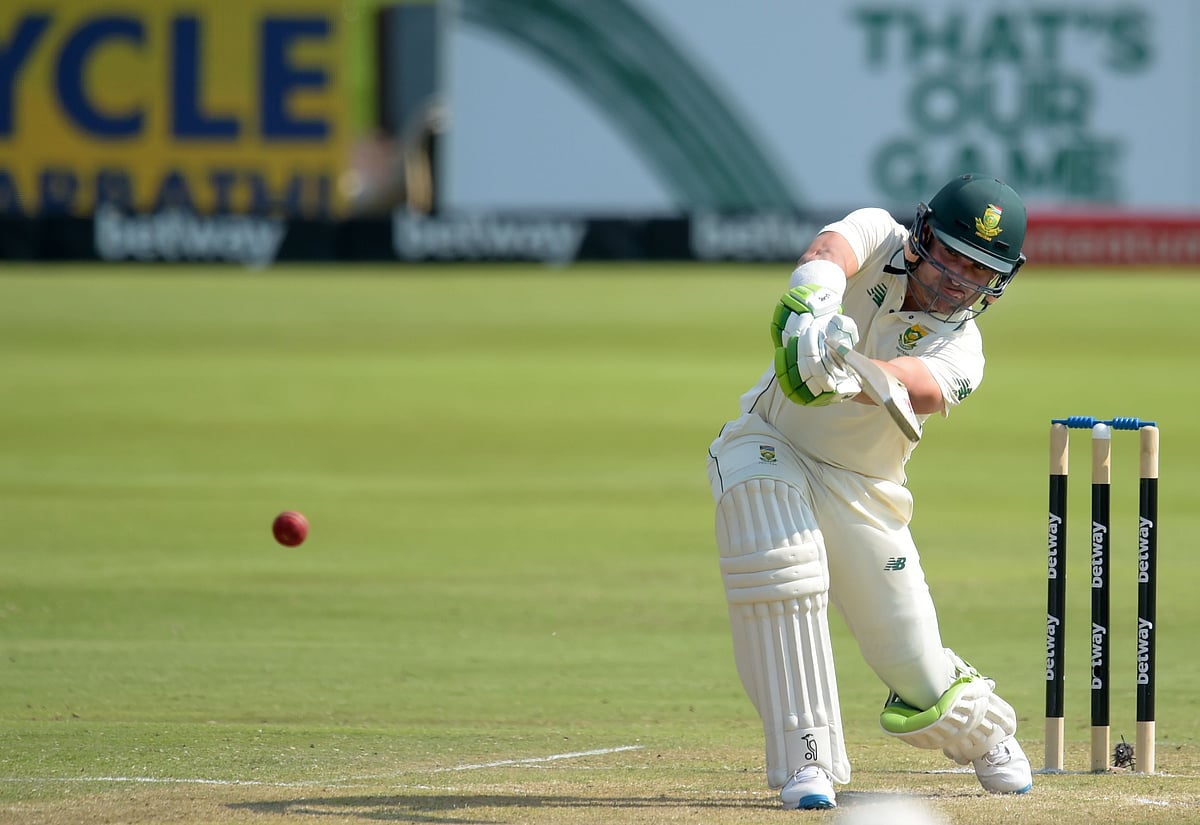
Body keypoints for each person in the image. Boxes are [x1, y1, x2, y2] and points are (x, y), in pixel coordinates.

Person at [706, 173, 1033, 810]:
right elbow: (829, 254)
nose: (955, 284)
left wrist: (842, 369)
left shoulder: (963, 348)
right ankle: (808, 759)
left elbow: (917, 387)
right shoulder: (879, 233)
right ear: (921, 238)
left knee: (914, 667)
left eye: (977, 274)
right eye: (948, 262)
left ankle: (983, 725)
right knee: (781, 568)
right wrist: (814, 311)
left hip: (865, 492)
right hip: (769, 440)